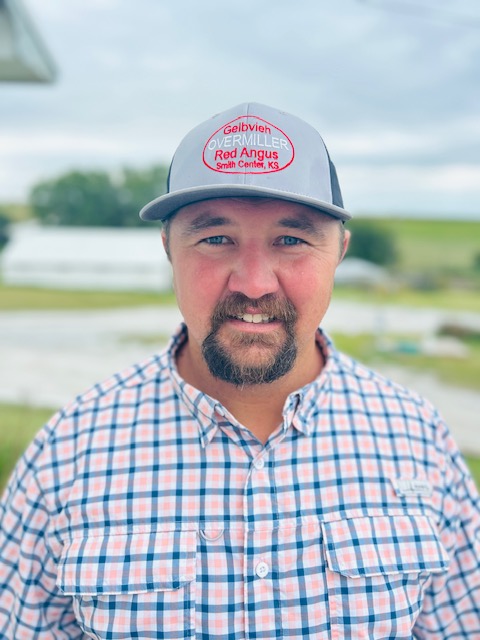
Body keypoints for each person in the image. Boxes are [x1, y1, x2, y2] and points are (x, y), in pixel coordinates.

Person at [0, 102, 479, 639]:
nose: (254, 284)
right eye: (216, 239)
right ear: (168, 250)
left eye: (291, 241)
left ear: (339, 252)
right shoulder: (67, 452)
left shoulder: (418, 439)